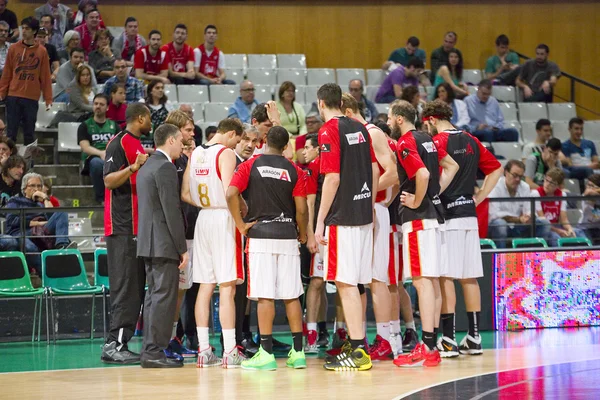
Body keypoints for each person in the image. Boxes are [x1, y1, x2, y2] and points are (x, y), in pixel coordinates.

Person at [421, 99, 503, 358]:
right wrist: (479, 198)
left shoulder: (438, 142)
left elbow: (437, 176)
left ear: (432, 119)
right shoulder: (471, 139)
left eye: (427, 124)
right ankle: (475, 337)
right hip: (470, 213)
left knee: (446, 276)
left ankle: (448, 338)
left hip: (449, 214)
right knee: (469, 277)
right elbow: (496, 170)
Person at [227, 125, 308, 370]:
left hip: (260, 236)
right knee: (292, 294)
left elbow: (231, 192)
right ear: (286, 147)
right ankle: (298, 353)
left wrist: (241, 225)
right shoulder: (295, 169)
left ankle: (266, 354)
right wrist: (303, 233)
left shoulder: (250, 165)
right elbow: (302, 208)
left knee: (265, 296)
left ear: (263, 140)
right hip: (287, 235)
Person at [314, 83, 378, 371]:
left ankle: (360, 352)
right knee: (355, 284)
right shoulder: (360, 127)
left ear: (320, 103)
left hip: (342, 218)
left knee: (346, 284)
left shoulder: (328, 130)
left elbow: (332, 178)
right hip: (363, 214)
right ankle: (358, 346)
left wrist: (319, 222)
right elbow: (374, 169)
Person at [341, 93, 408, 361]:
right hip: (362, 209)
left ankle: (386, 339)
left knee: (378, 278)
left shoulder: (371, 132)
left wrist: (364, 193)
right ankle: (362, 338)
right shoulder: (357, 134)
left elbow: (393, 173)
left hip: (374, 209)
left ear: (346, 112)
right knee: (359, 279)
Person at [180, 118, 244, 368]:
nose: (237, 145)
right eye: (237, 139)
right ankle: (230, 351)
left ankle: (204, 350)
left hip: (203, 219)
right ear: (230, 134)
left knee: (205, 286)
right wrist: (240, 220)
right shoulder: (226, 153)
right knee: (227, 286)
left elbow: (185, 193)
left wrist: (207, 204)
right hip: (223, 217)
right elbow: (230, 192)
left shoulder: (195, 153)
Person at [387, 100, 445, 368]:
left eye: (389, 118)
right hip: (434, 217)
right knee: (431, 282)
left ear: (400, 119)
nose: (388, 122)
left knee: (422, 282)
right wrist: (432, 197)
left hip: (419, 220)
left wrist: (416, 201)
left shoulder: (405, 142)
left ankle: (428, 347)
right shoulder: (428, 138)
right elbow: (450, 167)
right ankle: (432, 346)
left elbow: (421, 174)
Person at [100, 103, 151, 365]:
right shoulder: (117, 143)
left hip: (137, 228)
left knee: (135, 289)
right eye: (149, 118)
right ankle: (114, 344)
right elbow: (108, 180)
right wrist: (132, 168)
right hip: (122, 227)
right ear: (140, 118)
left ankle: (121, 341)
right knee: (126, 288)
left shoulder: (138, 144)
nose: (151, 123)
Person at [136, 123, 188, 369]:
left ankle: (150, 349)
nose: (182, 146)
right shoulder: (166, 167)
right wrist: (182, 247)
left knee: (154, 297)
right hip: (163, 243)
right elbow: (172, 210)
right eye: (180, 141)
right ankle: (154, 351)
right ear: (170, 140)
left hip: (148, 241)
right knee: (163, 298)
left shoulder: (147, 166)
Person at [163, 110, 199, 359]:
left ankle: (174, 337)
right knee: (171, 290)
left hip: (191, 231)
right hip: (175, 235)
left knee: (182, 289)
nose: (192, 133)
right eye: (187, 129)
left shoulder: (186, 160)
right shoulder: (169, 162)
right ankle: (163, 339)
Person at [5, 172, 75, 274]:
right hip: (21, 233)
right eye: (32, 185)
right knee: (30, 247)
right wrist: (37, 224)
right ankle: (48, 276)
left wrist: (45, 198)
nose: (36, 189)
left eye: (39, 186)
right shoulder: (14, 200)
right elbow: (12, 221)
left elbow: (52, 217)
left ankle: (62, 246)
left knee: (61, 212)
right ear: (24, 188)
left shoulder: (40, 205)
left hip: (40, 233)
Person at [0, 17, 53, 146]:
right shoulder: (13, 48)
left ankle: (29, 164)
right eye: (22, 28)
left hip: (31, 97)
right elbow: (7, 72)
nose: (24, 31)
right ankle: (9, 163)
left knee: (29, 133)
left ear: (34, 31)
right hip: (13, 96)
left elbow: (45, 76)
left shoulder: (42, 51)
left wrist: (48, 98)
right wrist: (2, 91)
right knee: (11, 133)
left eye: (27, 29)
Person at [231, 123, 260, 357]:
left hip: (245, 232)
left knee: (245, 288)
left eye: (254, 141)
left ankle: (242, 335)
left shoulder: (248, 163)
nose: (250, 145)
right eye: (246, 140)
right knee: (236, 287)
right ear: (237, 139)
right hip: (233, 231)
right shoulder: (231, 162)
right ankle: (235, 338)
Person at [488, 160, 550, 248]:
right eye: (515, 175)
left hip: (519, 225)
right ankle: (500, 258)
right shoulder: (495, 186)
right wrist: (519, 219)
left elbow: (529, 209)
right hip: (499, 225)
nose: (517, 179)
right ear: (506, 172)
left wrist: (529, 217)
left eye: (520, 177)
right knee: (500, 224)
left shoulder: (525, 187)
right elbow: (494, 214)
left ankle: (536, 256)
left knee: (544, 223)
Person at [77, 94, 118, 204]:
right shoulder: (85, 125)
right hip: (92, 157)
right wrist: (101, 153)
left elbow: (120, 145)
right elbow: (85, 147)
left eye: (101, 104)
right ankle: (102, 198)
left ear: (107, 107)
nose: (98, 106)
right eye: (96, 104)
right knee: (97, 164)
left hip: (112, 157)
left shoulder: (114, 126)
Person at [531, 167, 588, 247]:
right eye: (546, 180)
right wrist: (558, 231)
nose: (547, 184)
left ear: (558, 185)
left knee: (578, 232)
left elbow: (564, 219)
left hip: (558, 226)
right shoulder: (536, 194)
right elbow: (543, 221)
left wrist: (569, 229)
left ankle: (589, 256)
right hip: (545, 229)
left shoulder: (562, 195)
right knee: (556, 238)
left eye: (552, 183)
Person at [561, 118, 598, 187]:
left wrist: (590, 166)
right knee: (588, 170)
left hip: (590, 170)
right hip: (575, 172)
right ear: (569, 129)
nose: (579, 132)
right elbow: (570, 165)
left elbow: (596, 162)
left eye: (581, 129)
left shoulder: (589, 144)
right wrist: (588, 166)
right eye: (576, 129)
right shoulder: (565, 146)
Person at [582, 174, 600, 244]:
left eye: (591, 186)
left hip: (597, 228)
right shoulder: (584, 197)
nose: (588, 188)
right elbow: (588, 192)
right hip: (585, 228)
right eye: (588, 185)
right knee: (590, 244)